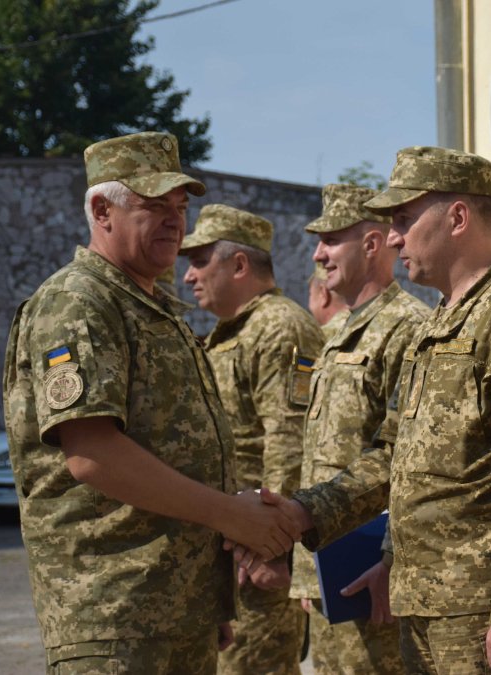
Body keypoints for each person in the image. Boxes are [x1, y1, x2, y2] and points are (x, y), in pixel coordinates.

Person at [251, 148, 491, 674]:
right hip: (423, 604)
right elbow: (399, 458)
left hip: (480, 610)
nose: (393, 239)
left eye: (403, 220)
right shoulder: (434, 326)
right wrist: (316, 518)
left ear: (457, 218)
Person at [2, 132, 300, 674]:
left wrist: (204, 591)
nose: (174, 221)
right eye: (155, 206)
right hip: (115, 616)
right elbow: (93, 454)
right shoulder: (78, 300)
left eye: (180, 207)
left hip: (173, 612)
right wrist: (232, 516)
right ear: (102, 211)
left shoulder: (152, 307)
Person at [180, 203, 325, 675]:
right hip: (231, 548)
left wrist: (271, 548)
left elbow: (289, 441)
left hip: (256, 558)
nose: (188, 276)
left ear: (239, 264)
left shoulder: (279, 326)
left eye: (199, 261)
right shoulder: (229, 332)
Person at [290, 183, 428, 674]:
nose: (318, 254)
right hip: (327, 565)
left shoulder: (408, 327)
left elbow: (407, 460)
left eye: (331, 240)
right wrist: (306, 575)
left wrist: (393, 563)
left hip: (371, 569)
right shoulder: (335, 334)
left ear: (371, 244)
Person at [307, 262, 349, 338]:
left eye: (310, 294)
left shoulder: (321, 338)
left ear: (323, 294)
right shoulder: (368, 321)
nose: (309, 305)